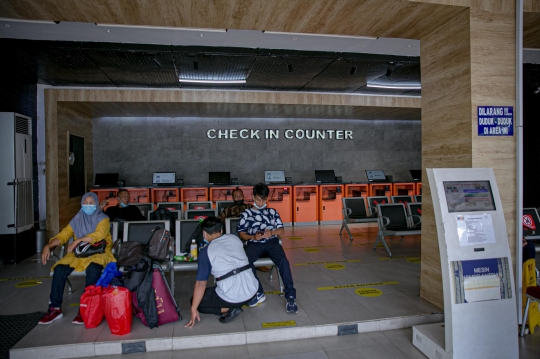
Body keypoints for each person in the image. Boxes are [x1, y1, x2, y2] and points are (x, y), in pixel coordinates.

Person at [39, 192, 116, 325]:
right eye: (86, 202)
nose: (88, 205)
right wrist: (48, 245)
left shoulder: (103, 218)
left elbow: (98, 235)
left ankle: (86, 308)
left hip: (98, 253)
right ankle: (54, 308)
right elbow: (64, 235)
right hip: (78, 254)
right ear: (81, 204)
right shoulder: (77, 219)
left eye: (92, 203)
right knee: (60, 269)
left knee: (93, 269)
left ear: (97, 204)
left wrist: (77, 241)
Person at [185, 217, 258, 327]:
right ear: (221, 230)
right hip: (252, 289)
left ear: (204, 234)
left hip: (233, 294)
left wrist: (193, 309)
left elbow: (201, 284)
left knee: (197, 302)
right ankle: (241, 301)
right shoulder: (235, 238)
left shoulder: (206, 252)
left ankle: (232, 307)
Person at [237, 183, 298, 313]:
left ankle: (290, 295)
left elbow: (281, 230)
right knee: (245, 262)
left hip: (271, 243)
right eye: (258, 199)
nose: (261, 202)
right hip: (254, 243)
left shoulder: (272, 212)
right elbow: (241, 233)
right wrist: (253, 237)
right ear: (253, 197)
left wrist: (271, 233)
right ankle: (258, 292)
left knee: (283, 262)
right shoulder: (246, 213)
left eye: (264, 199)